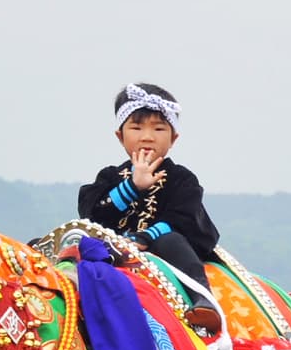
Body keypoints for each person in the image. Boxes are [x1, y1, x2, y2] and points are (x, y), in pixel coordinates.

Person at [77, 82, 224, 334]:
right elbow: (93, 215)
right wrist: (132, 186)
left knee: (172, 241)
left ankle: (203, 298)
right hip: (112, 247)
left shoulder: (181, 178)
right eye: (136, 127)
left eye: (158, 128)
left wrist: (145, 237)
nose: (147, 136)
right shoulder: (110, 177)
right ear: (120, 136)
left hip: (161, 246)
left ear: (173, 138)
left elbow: (182, 218)